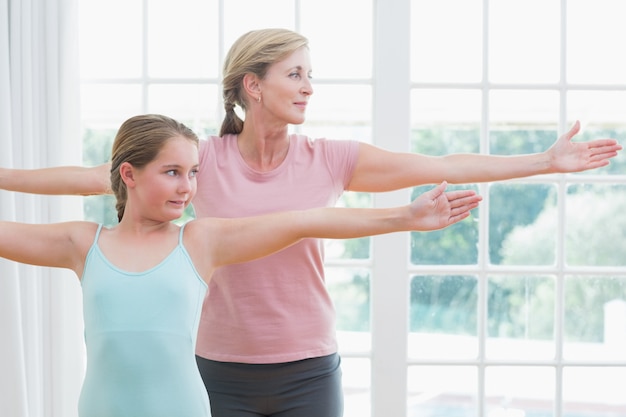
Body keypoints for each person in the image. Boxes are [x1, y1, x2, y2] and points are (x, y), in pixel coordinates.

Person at [0, 28, 621, 417]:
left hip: (307, 366)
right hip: (218, 368)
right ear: (253, 85)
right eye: (295, 75)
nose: (308, 88)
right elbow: (87, 176)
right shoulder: (200, 162)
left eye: (310, 76)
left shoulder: (331, 158)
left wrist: (545, 160)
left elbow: (441, 162)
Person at [0, 113, 481, 417]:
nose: (187, 187)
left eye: (192, 173)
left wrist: (405, 216)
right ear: (128, 174)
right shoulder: (82, 242)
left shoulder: (200, 241)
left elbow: (305, 220)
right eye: (172, 173)